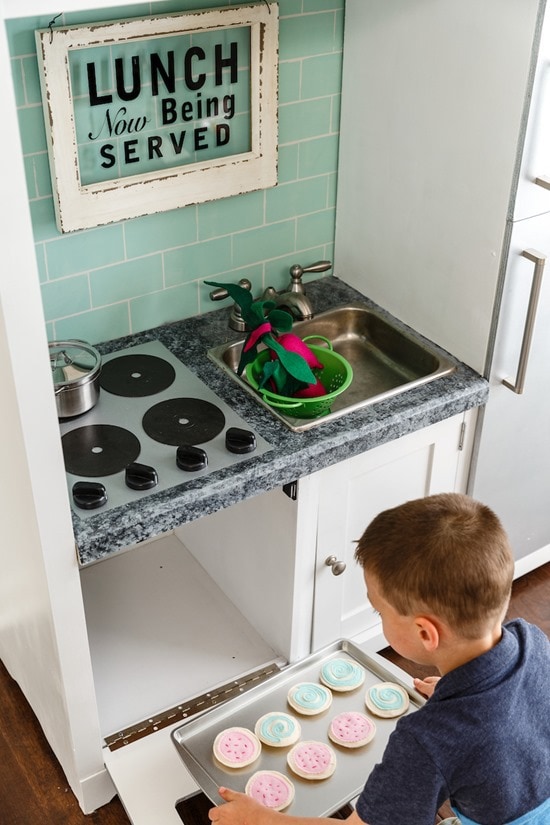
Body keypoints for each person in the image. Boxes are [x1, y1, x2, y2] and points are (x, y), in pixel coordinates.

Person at [208, 493, 550, 825]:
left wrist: (261, 819)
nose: (377, 615)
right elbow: (513, 713)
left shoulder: (426, 740)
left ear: (425, 634)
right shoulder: (532, 641)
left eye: (378, 610)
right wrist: (455, 694)